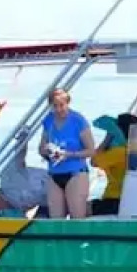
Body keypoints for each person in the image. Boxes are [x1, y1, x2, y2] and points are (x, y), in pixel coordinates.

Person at [38, 87, 95, 219]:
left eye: (61, 105)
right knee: (56, 219)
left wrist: (68, 154)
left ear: (67, 103)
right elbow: (41, 146)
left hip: (75, 173)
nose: (58, 110)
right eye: (55, 106)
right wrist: (47, 151)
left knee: (77, 218)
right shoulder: (49, 120)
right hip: (54, 173)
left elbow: (91, 150)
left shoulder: (78, 120)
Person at [88, 111, 137, 216]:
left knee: (79, 207)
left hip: (114, 200)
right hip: (133, 200)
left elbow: (93, 161)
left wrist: (107, 139)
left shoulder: (119, 152)